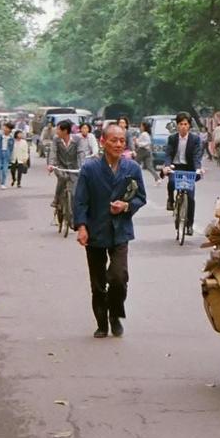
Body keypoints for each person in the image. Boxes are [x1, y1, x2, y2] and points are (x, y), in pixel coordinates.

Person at [74, 123, 146, 338]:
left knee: (118, 277)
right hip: (95, 230)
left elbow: (140, 197)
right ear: (103, 142)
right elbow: (80, 201)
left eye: (122, 140)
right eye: (113, 140)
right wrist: (81, 226)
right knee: (98, 283)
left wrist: (126, 206)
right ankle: (102, 323)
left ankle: (115, 314)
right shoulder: (90, 169)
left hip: (120, 230)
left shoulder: (132, 168)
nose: (118, 144)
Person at [162, 113, 203, 235]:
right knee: (172, 182)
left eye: (185, 124)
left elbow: (196, 156)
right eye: (181, 124)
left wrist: (198, 168)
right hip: (175, 166)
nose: (183, 127)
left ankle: (189, 225)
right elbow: (168, 154)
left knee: (190, 197)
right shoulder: (172, 138)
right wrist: (167, 166)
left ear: (189, 125)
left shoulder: (195, 139)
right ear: (177, 125)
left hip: (189, 168)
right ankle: (170, 200)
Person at [48, 120, 82, 211]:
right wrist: (51, 164)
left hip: (73, 167)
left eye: (58, 129)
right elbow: (53, 152)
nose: (56, 131)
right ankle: (56, 198)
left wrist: (83, 166)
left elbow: (80, 153)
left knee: (75, 190)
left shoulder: (77, 139)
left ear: (65, 131)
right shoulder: (56, 139)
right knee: (63, 177)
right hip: (60, 166)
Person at [0, 123, 15, 188]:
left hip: (6, 154)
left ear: (9, 130)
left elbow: (11, 148)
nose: (4, 129)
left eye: (6, 128)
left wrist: (10, 156)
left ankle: (3, 183)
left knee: (4, 170)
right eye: (4, 127)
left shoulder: (11, 138)